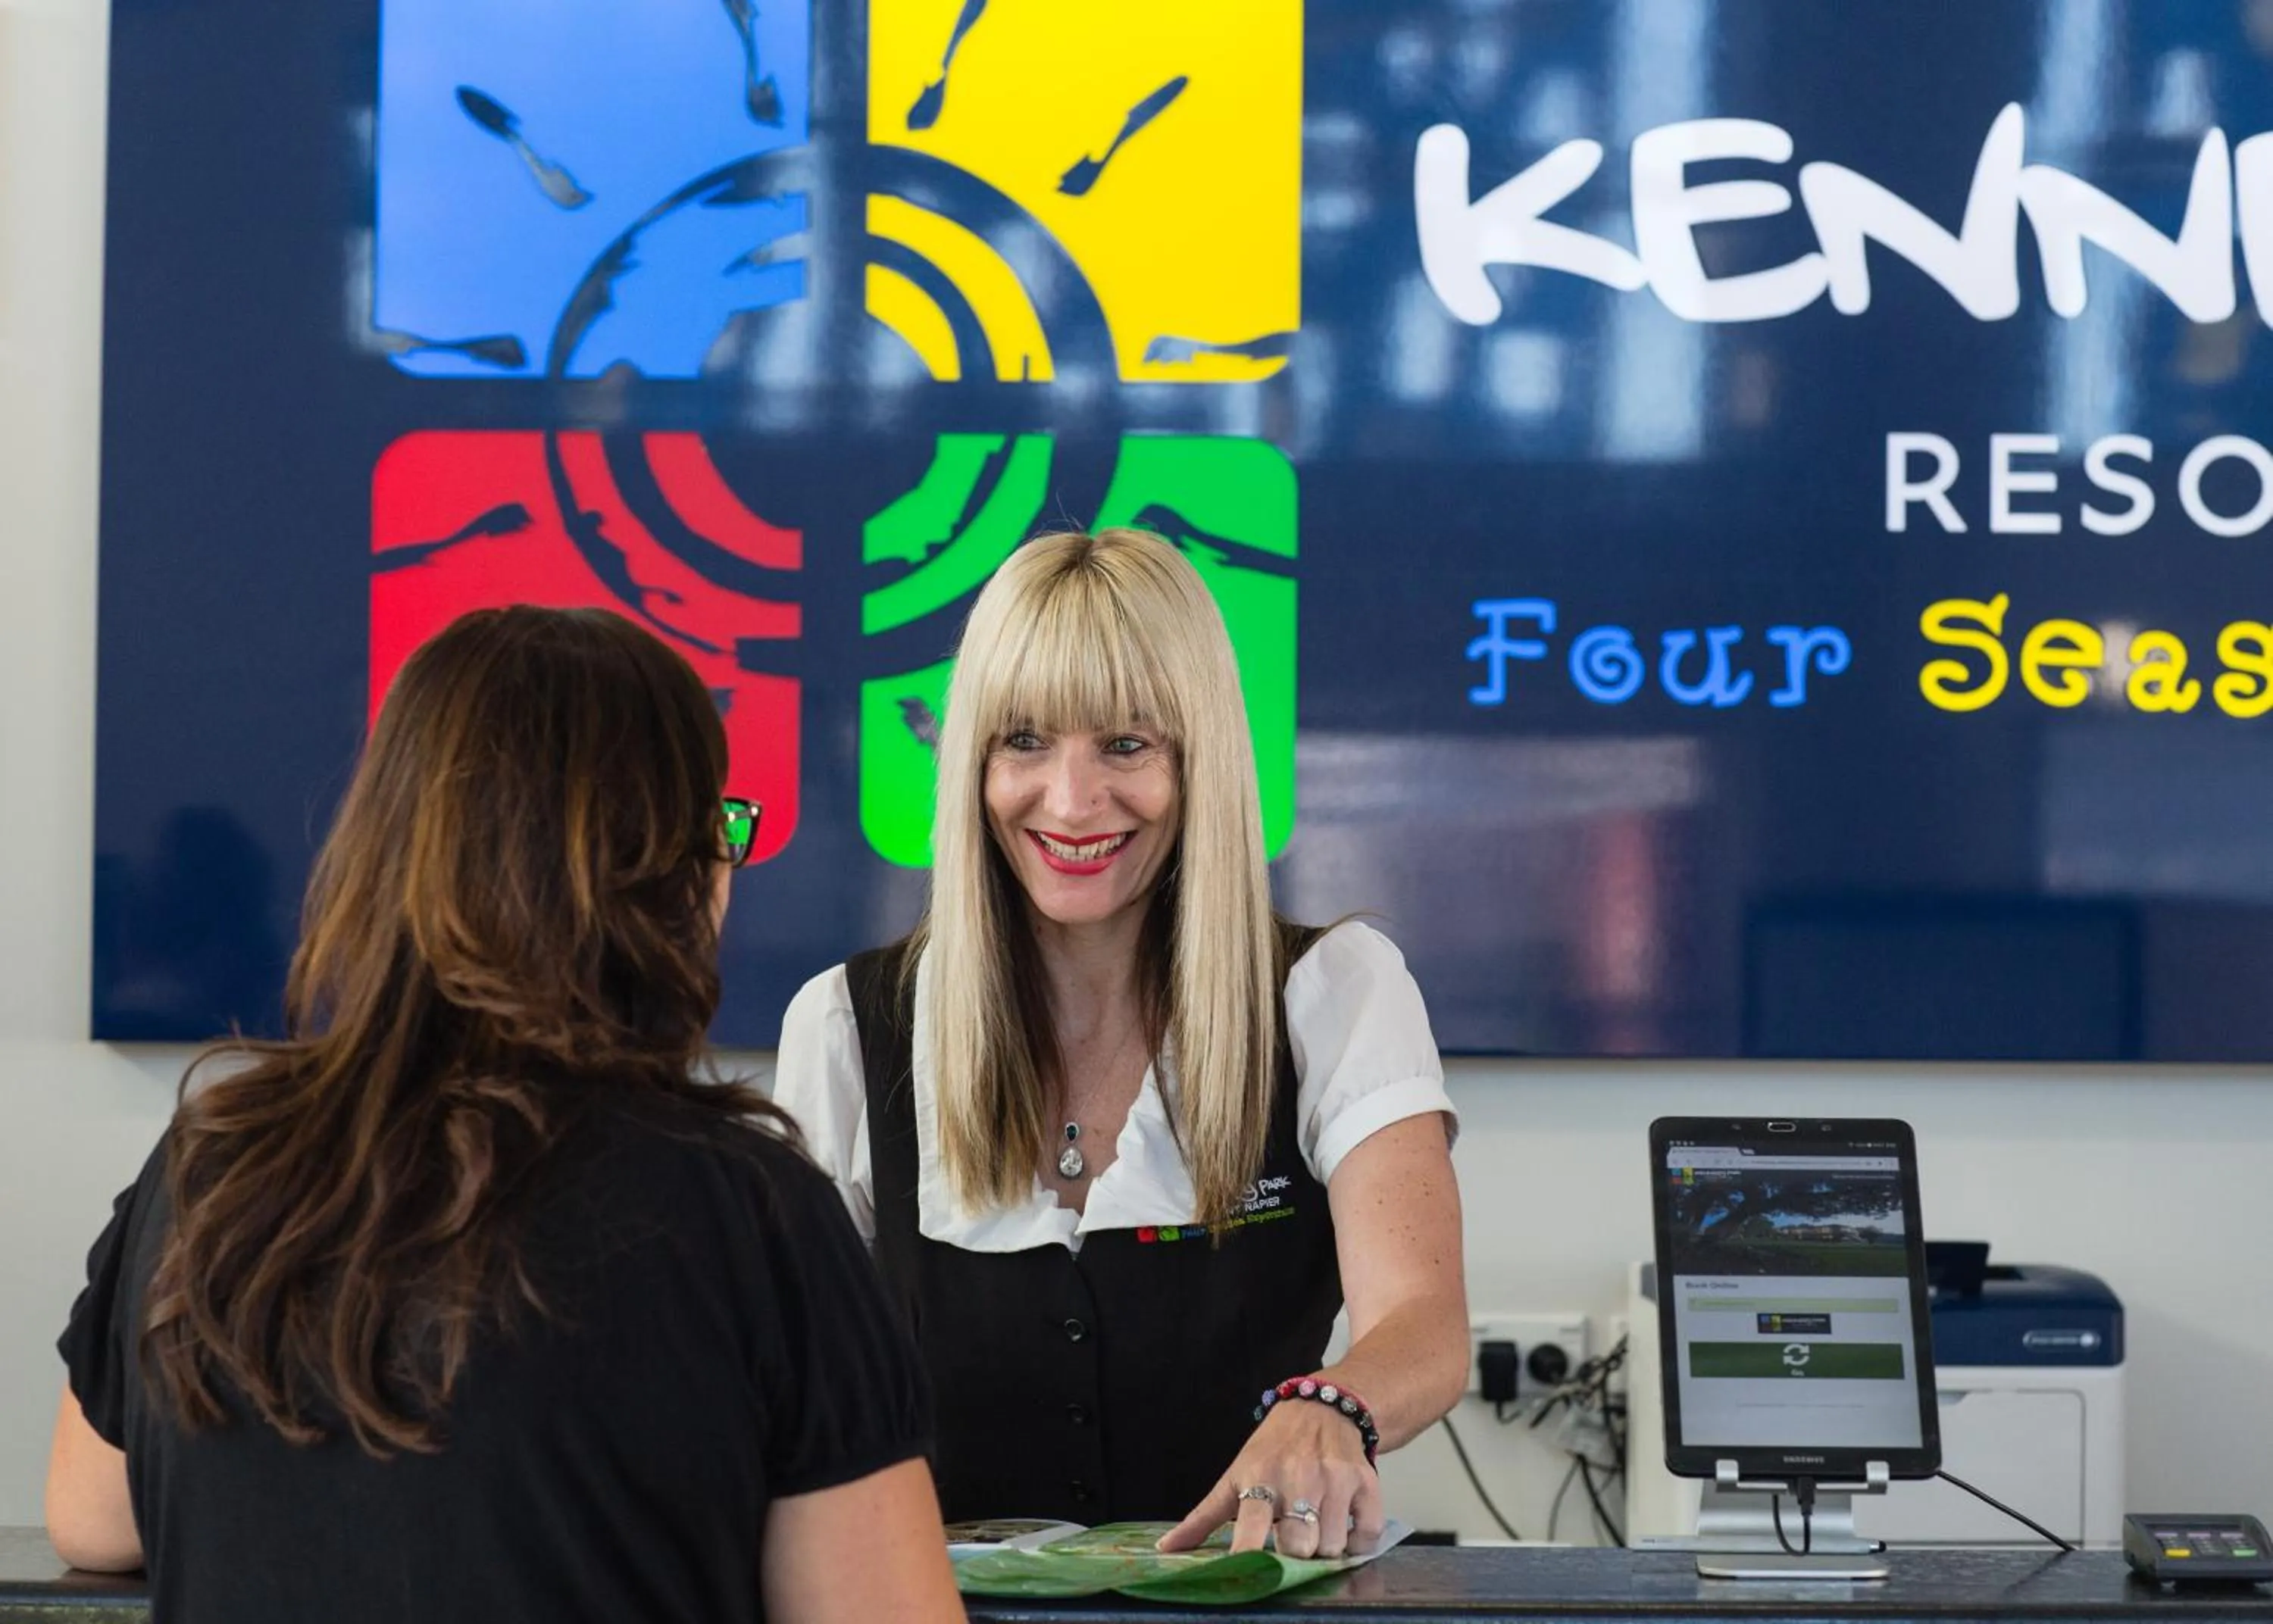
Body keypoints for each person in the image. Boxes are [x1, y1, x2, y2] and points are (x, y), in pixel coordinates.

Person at [46, 606, 964, 1624]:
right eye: (720, 828)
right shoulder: (753, 1214)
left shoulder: (209, 1168)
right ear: (666, 876)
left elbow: (93, 1519)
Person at [774, 529, 1469, 1558]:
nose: (1071, 800)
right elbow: (785, 1394)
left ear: (1202, 760)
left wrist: (1333, 1405)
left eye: (1126, 745)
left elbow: (1423, 1325)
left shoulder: (1334, 993)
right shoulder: (846, 1028)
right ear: (970, 762)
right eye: (1024, 742)